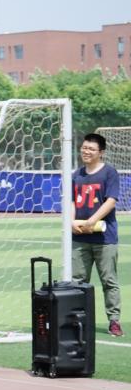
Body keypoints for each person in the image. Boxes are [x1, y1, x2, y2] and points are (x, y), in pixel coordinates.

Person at [71, 133, 122, 336]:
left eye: (91, 149)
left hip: (104, 238)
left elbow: (111, 201)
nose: (86, 151)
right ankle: (78, 320)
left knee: (109, 280)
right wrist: (71, 222)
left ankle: (114, 320)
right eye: (84, 148)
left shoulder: (109, 173)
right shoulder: (76, 174)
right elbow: (72, 201)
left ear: (101, 152)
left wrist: (92, 221)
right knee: (77, 281)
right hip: (79, 237)